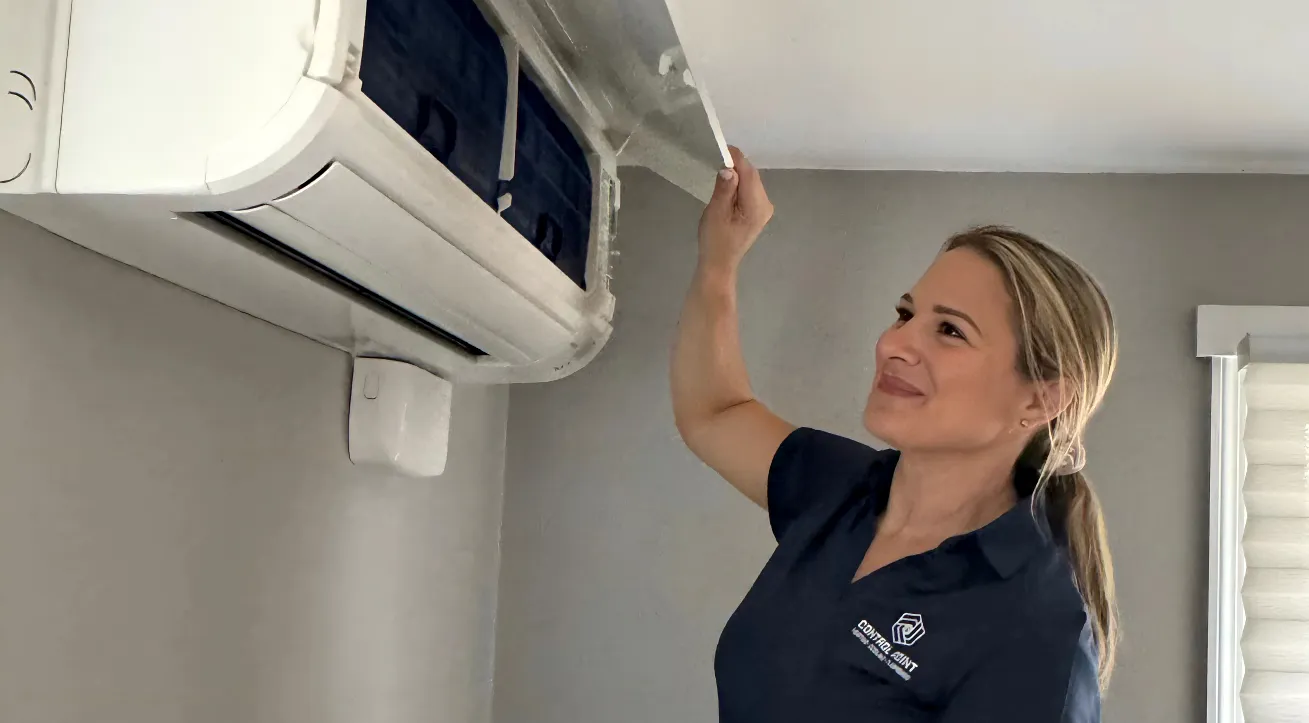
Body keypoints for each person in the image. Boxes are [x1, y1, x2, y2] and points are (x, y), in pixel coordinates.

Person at [670, 147, 1117, 723]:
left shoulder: (1033, 629)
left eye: (950, 330)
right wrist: (719, 260)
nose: (894, 344)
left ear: (1041, 397)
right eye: (906, 314)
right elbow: (715, 412)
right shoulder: (844, 489)